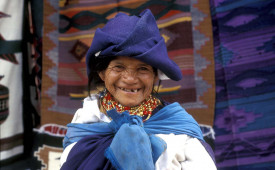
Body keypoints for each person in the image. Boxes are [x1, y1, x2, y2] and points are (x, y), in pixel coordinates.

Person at [60, 9, 217, 170]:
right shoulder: (86, 118)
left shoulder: (180, 131)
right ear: (102, 73)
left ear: (156, 75)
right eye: (118, 67)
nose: (129, 79)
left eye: (143, 69)